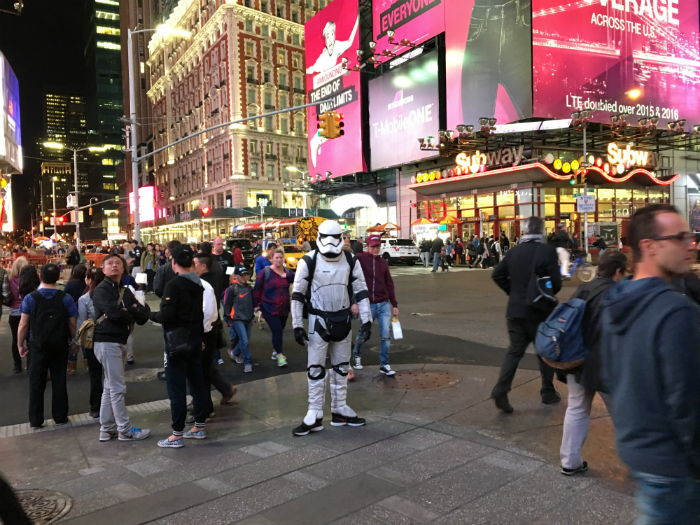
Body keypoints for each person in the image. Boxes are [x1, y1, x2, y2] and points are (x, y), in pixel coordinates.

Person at [601, 204, 700, 522]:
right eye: (681, 237)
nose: (692, 243)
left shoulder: (617, 298)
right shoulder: (675, 311)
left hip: (638, 450)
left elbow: (610, 374)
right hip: (671, 462)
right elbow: (687, 402)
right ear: (649, 246)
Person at [291, 220, 372, 436]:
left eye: (334, 237)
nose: (329, 242)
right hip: (319, 322)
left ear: (341, 237)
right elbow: (297, 295)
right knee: (316, 369)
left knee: (342, 368)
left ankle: (339, 409)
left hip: (342, 320)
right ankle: (315, 412)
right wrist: (297, 324)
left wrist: (367, 319)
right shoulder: (309, 261)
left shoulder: (349, 259)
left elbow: (361, 290)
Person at [558, 251, 628, 476]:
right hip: (604, 364)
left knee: (577, 408)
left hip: (577, 360)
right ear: (618, 272)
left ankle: (570, 461)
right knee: (623, 413)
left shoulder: (585, 288)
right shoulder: (616, 293)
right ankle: (637, 462)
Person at [491, 216, 562, 413]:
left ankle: (501, 389)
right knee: (544, 351)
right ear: (540, 231)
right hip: (539, 312)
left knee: (514, 351)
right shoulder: (547, 251)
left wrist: (512, 291)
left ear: (524, 231)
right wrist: (544, 293)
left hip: (515, 310)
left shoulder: (514, 252)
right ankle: (547, 391)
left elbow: (497, 274)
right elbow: (556, 283)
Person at [149, 245, 210, 448]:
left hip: (176, 342)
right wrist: (200, 337)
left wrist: (148, 314)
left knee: (176, 387)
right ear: (192, 263)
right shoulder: (198, 284)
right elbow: (200, 314)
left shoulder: (173, 285)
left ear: (173, 263)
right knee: (197, 382)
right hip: (194, 339)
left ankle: (176, 434)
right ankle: (199, 426)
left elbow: (166, 315)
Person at [93, 254, 151, 442]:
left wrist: (129, 311)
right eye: (109, 263)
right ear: (103, 269)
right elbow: (113, 313)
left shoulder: (125, 291)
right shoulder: (101, 289)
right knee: (117, 388)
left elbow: (144, 314)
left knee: (110, 387)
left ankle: (106, 428)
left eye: (118, 263)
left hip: (118, 341)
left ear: (124, 267)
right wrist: (130, 310)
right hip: (106, 342)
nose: (114, 266)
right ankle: (125, 430)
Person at [17, 264, 79, 429]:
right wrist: (74, 342)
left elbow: (23, 325)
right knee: (59, 380)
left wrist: (20, 345)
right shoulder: (65, 298)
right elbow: (72, 323)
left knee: (36, 382)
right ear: (58, 278)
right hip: (60, 345)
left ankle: (36, 420)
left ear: (40, 276)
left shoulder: (30, 298)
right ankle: (60, 417)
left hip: (37, 346)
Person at [192, 252, 236, 414]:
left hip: (207, 328)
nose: (192, 265)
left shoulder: (205, 283)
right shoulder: (216, 274)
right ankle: (224, 390)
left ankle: (205, 405)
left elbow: (207, 310)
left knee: (203, 368)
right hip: (211, 326)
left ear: (203, 265)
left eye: (195, 263)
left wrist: (200, 332)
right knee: (208, 365)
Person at [353, 235, 398, 375]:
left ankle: (384, 364)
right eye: (373, 246)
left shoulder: (383, 263)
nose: (375, 249)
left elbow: (389, 283)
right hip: (367, 303)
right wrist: (354, 302)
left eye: (377, 246)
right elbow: (351, 277)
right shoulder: (360, 258)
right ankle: (357, 356)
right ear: (367, 246)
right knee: (363, 331)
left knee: (385, 334)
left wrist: (394, 303)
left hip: (383, 303)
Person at [254, 247, 294, 367]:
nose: (279, 260)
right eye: (276, 258)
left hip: (284, 308)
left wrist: (287, 275)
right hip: (268, 307)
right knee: (277, 330)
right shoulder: (265, 272)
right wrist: (255, 305)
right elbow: (257, 289)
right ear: (271, 259)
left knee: (279, 330)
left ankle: (275, 351)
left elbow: (297, 280)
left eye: (281, 257)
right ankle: (280, 356)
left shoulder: (288, 272)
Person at [77, 267, 106, 419]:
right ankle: (111, 405)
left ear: (89, 280)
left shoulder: (84, 299)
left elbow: (82, 323)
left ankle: (96, 407)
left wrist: (78, 342)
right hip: (109, 338)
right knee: (110, 374)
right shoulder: (109, 295)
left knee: (95, 375)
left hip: (92, 340)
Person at [224, 266, 255, 372]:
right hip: (237, 319)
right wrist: (228, 319)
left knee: (245, 340)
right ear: (236, 276)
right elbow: (227, 304)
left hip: (247, 318)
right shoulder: (232, 289)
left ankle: (235, 353)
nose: (244, 277)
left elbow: (251, 304)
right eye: (241, 275)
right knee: (244, 341)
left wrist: (252, 317)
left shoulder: (249, 288)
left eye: (245, 274)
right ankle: (248, 362)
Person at [64, 264, 88, 374]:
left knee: (73, 338)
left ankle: (71, 365)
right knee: (85, 337)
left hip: (71, 313)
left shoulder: (70, 284)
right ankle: (87, 363)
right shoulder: (87, 284)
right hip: (85, 312)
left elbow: (65, 297)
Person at [8, 257, 29, 374]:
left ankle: (17, 366)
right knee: (29, 338)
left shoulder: (11, 281)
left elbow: (7, 295)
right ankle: (30, 364)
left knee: (15, 339)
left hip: (14, 312)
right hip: (27, 312)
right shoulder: (29, 281)